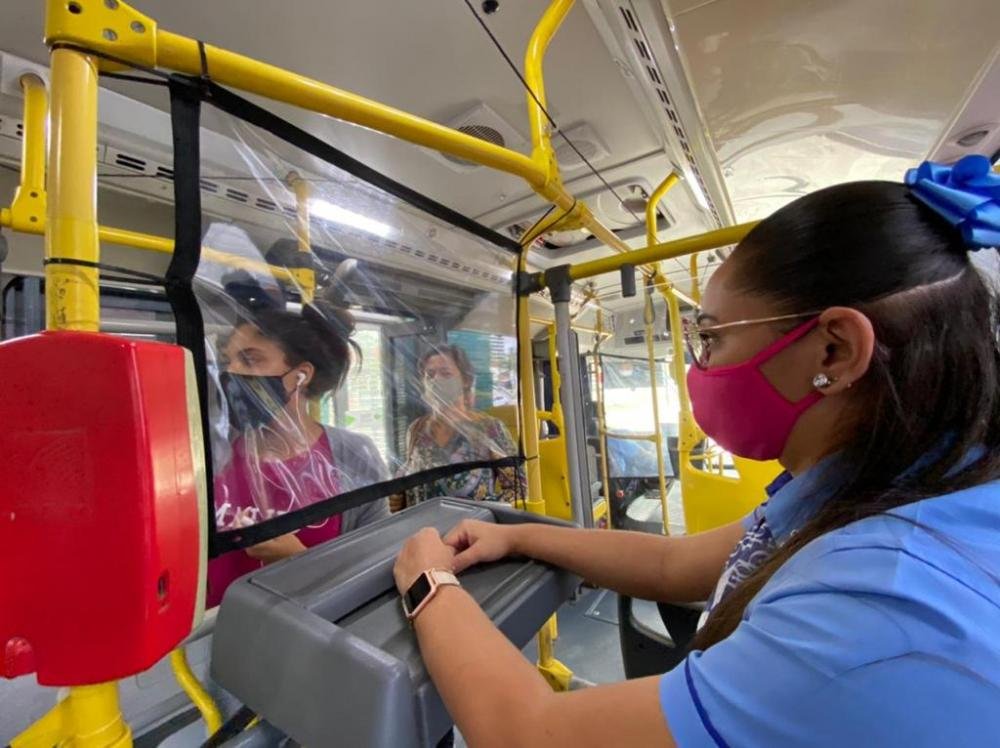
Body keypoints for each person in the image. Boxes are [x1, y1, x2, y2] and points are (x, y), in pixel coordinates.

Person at [392, 156, 1000, 746]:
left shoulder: (877, 605)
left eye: (711, 338)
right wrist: (519, 536)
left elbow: (528, 732)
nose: (699, 365)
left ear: (834, 353)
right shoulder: (897, 486)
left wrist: (427, 582)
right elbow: (673, 566)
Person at [207, 302, 389, 607]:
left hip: (301, 640)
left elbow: (377, 572)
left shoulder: (354, 455)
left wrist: (298, 562)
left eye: (250, 360)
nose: (232, 372)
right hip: (211, 640)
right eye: (229, 361)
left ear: (300, 375)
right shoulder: (215, 451)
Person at [391, 344, 525, 510]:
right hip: (424, 531)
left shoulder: (489, 429)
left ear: (465, 380)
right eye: (430, 375)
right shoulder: (417, 429)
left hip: (472, 531)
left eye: (445, 374)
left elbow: (519, 490)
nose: (436, 380)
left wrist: (484, 512)